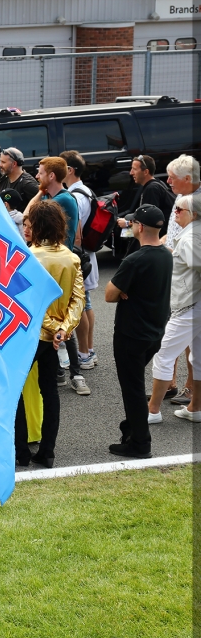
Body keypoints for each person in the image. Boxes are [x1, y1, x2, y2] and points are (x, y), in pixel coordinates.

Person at [13, 201, 84, 468]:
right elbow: (78, 300)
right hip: (56, 340)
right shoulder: (72, 257)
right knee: (50, 391)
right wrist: (63, 330)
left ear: (38, 226)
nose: (25, 229)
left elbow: (28, 303)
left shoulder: (29, 257)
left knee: (15, 390)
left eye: (29, 225)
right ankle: (48, 451)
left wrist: (54, 329)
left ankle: (20, 451)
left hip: (30, 335)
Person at [106, 205, 173, 459]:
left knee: (132, 388)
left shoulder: (135, 260)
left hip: (131, 334)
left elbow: (110, 294)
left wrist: (124, 289)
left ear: (140, 227)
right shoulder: (165, 254)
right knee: (134, 385)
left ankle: (140, 443)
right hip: (154, 333)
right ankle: (131, 427)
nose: (131, 225)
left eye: (134, 222)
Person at [28, 156, 89, 396]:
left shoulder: (63, 200)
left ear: (52, 176)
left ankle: (76, 371)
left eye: (41, 173)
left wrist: (58, 328)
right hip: (62, 265)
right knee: (66, 314)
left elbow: (29, 214)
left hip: (62, 266)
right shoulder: (54, 198)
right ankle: (66, 371)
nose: (37, 177)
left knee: (67, 313)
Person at [145, 195, 201, 425]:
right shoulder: (189, 235)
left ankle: (152, 411)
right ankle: (195, 408)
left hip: (189, 305)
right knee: (197, 357)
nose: (175, 212)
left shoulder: (190, 239)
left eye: (179, 210)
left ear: (194, 214)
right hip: (192, 304)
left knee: (163, 355)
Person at [162, 154, 201, 407]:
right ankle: (171, 383)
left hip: (191, 283)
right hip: (176, 275)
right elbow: (174, 230)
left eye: (172, 178)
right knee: (175, 331)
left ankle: (189, 389)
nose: (167, 181)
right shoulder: (181, 195)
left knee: (189, 339)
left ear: (188, 179)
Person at [60, 150, 99, 371]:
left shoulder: (74, 195)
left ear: (70, 170)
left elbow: (76, 231)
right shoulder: (87, 191)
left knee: (80, 305)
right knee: (87, 303)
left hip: (77, 255)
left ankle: (83, 354)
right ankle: (89, 350)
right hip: (87, 254)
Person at [0, 147, 38, 213]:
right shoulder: (4, 179)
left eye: (3, 162)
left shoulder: (28, 184)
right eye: (0, 161)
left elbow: (40, 209)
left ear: (14, 164)